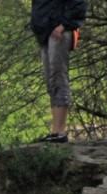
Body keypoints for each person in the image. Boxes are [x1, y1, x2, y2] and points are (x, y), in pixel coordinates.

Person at [30, 0, 87, 143]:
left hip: (60, 32)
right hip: (44, 34)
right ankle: (55, 131)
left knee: (58, 77)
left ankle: (60, 131)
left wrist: (63, 25)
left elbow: (79, 5)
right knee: (50, 81)